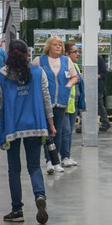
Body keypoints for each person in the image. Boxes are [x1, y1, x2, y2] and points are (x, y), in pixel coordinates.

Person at [0, 39, 55, 224]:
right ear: (27, 54)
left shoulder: (1, 76)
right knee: (34, 166)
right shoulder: (38, 72)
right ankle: (39, 196)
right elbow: (46, 99)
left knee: (14, 170)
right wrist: (51, 124)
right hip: (36, 125)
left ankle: (17, 210)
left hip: (12, 127)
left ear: (8, 54)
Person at [32, 36, 78, 175]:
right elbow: (31, 76)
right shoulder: (39, 60)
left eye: (60, 45)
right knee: (47, 131)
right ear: (48, 46)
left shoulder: (66, 60)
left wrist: (67, 86)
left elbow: (74, 76)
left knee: (57, 132)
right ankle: (48, 161)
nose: (58, 47)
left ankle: (55, 160)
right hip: (45, 102)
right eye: (55, 44)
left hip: (61, 102)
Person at [60, 42, 85, 167]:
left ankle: (67, 155)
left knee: (69, 132)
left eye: (78, 51)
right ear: (67, 54)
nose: (78, 54)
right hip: (65, 103)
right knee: (65, 131)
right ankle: (64, 156)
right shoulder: (63, 66)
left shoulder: (75, 65)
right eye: (75, 52)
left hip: (73, 103)